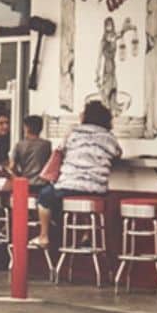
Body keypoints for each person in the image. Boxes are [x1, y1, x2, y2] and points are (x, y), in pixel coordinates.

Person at [34, 100, 123, 248]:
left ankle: (44, 236)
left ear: (86, 116)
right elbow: (118, 154)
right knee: (83, 201)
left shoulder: (74, 133)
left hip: (70, 184)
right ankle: (87, 233)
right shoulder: (110, 137)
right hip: (97, 189)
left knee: (44, 196)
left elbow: (61, 150)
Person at [10, 115, 52, 188]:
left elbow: (12, 166)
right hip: (43, 183)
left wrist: (19, 174)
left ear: (26, 128)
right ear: (41, 128)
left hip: (25, 183)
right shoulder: (47, 144)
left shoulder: (19, 145)